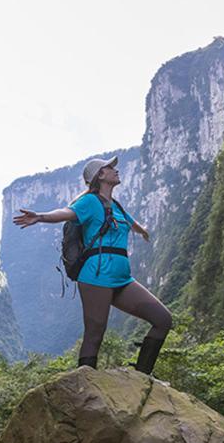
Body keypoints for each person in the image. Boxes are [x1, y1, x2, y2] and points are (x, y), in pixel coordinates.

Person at [12, 156, 172, 373]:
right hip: (96, 277)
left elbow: (130, 222)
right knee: (95, 333)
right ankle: (85, 382)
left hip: (122, 279)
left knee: (163, 319)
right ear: (100, 175)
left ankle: (143, 375)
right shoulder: (89, 202)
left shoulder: (116, 206)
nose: (115, 170)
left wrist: (142, 230)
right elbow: (66, 213)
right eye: (109, 167)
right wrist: (40, 216)